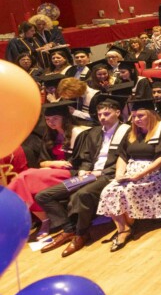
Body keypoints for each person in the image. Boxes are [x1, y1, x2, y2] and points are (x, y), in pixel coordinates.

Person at [36, 95, 131, 257]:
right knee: (44, 196)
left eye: (106, 114)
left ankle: (81, 234)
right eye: (100, 114)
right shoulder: (93, 133)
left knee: (81, 195)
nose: (102, 118)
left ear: (117, 112)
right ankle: (68, 229)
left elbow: (126, 158)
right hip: (89, 175)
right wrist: (84, 170)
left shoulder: (127, 132)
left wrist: (99, 173)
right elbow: (86, 158)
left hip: (109, 175)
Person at [97, 99, 161, 252]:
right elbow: (123, 155)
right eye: (133, 117)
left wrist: (141, 174)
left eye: (140, 116)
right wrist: (120, 173)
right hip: (130, 172)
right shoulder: (132, 131)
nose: (136, 120)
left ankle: (126, 228)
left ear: (151, 114)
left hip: (154, 173)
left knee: (124, 191)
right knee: (108, 191)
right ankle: (124, 228)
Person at [8, 101, 91, 234]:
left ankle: (38, 219)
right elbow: (41, 162)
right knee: (26, 185)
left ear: (65, 117)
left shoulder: (79, 133)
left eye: (55, 118)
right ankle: (45, 220)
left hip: (73, 173)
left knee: (23, 177)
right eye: (47, 119)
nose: (51, 122)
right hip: (54, 172)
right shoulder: (50, 135)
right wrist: (53, 164)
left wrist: (54, 166)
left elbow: (82, 162)